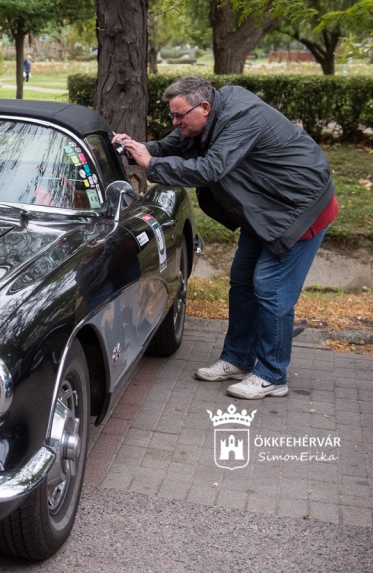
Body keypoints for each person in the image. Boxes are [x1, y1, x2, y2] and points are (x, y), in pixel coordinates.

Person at [112, 76, 338, 400]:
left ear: (204, 107)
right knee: (242, 281)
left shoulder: (242, 118)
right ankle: (238, 359)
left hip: (300, 210)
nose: (174, 123)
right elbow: (176, 143)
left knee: (270, 287)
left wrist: (154, 165)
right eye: (171, 115)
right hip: (265, 211)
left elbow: (210, 169)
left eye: (178, 115)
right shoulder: (209, 116)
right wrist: (139, 150)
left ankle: (272, 374)